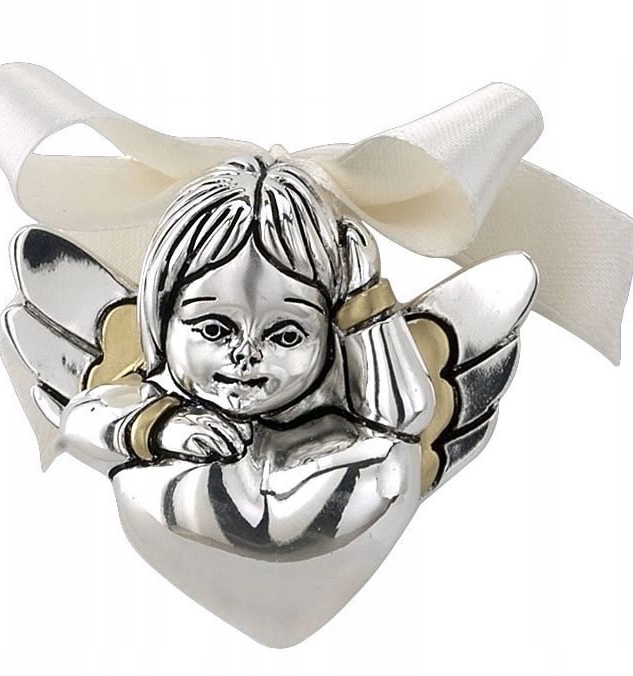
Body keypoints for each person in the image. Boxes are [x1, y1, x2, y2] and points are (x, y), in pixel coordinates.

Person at [61, 155, 435, 556]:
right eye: (214, 329)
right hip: (184, 529)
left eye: (286, 335)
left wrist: (365, 297)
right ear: (163, 316)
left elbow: (405, 416)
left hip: (327, 532)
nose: (245, 354)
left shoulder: (344, 411)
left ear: (331, 332)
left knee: (391, 457)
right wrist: (161, 427)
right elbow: (79, 419)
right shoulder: (157, 397)